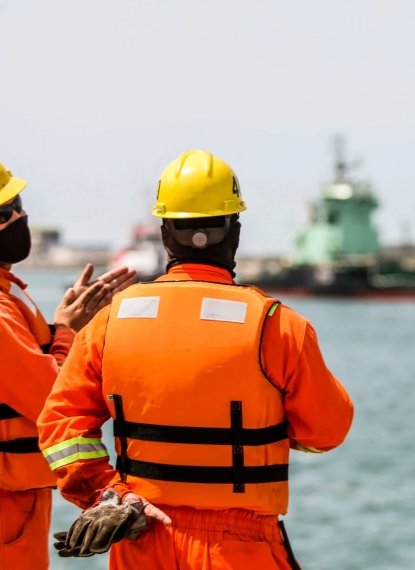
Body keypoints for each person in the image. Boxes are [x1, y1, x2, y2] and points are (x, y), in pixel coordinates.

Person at [38, 149, 354, 569]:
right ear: (235, 232)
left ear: (165, 235)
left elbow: (61, 429)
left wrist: (108, 494)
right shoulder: (277, 327)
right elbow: (326, 431)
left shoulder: (110, 322)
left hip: (140, 539)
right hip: (240, 552)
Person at [0, 145, 136, 569]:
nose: (15, 219)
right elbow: (53, 402)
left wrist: (58, 329)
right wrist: (70, 332)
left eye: (15, 206)